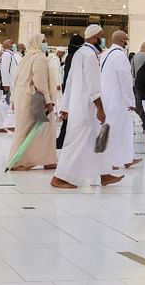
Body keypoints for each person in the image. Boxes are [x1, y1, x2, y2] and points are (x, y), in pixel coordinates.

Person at [51, 24, 121, 189]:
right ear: (95, 37)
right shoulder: (89, 55)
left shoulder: (79, 53)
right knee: (76, 143)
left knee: (100, 140)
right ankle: (60, 177)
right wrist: (100, 109)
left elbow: (69, 81)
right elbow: (93, 86)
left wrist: (66, 107)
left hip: (78, 105)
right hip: (86, 108)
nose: (103, 40)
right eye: (102, 37)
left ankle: (105, 174)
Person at [8, 33, 57, 171]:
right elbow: (40, 82)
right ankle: (16, 162)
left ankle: (49, 160)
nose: (46, 43)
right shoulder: (38, 59)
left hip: (24, 97)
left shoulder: (27, 58)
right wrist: (48, 101)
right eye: (44, 41)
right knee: (28, 131)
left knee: (41, 130)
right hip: (35, 98)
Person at [99, 31, 138, 170]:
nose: (127, 42)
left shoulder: (106, 54)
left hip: (107, 97)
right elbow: (126, 80)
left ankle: (125, 158)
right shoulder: (120, 56)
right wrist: (131, 101)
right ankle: (113, 161)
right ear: (123, 41)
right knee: (118, 129)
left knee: (120, 129)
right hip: (118, 99)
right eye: (126, 39)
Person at [55, 34, 85, 150]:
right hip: (73, 91)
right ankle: (62, 141)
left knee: (69, 119)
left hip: (69, 90)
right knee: (70, 119)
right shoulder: (75, 57)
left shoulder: (70, 56)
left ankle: (62, 140)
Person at [0, 40, 17, 131]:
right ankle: (9, 125)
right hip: (8, 83)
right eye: (12, 43)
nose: (14, 45)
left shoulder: (10, 54)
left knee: (4, 104)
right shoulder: (7, 54)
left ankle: (0, 126)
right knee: (7, 104)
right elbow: (4, 69)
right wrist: (6, 84)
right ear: (9, 45)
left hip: (11, 82)